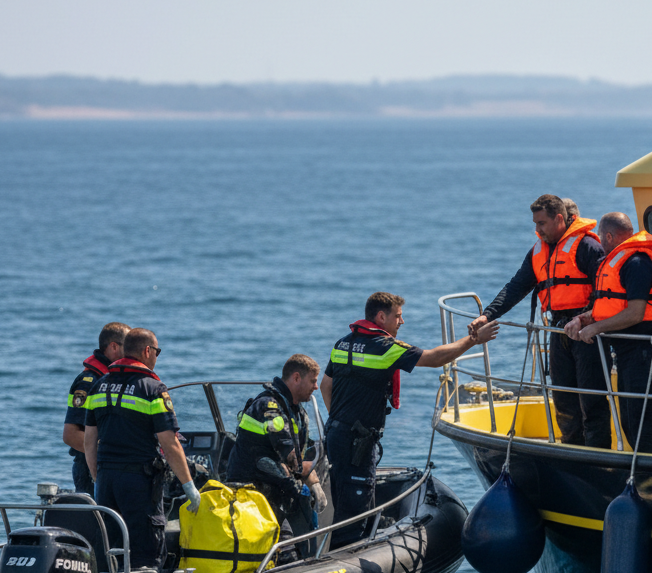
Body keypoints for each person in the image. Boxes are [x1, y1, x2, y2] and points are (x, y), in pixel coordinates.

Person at [320, 291, 499, 547]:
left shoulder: (343, 343)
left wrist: (339, 421)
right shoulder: (386, 347)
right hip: (357, 442)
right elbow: (435, 358)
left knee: (346, 498)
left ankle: (355, 545)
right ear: (381, 317)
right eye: (398, 317)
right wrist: (473, 340)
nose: (401, 322)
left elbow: (326, 385)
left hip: (336, 434)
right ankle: (345, 557)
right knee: (354, 511)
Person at [468, 193, 609, 447]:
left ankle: (600, 460)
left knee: (592, 400)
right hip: (558, 330)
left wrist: (586, 319)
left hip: (589, 332)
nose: (537, 230)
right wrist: (487, 315)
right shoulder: (538, 251)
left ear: (558, 219)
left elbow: (606, 291)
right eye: (535, 224)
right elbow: (516, 287)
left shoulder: (588, 246)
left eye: (541, 223)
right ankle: (572, 452)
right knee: (564, 400)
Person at [83, 328, 201, 571]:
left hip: (106, 482)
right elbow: (170, 444)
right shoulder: (153, 390)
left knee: (111, 551)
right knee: (145, 555)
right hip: (139, 485)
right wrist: (190, 488)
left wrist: (98, 478)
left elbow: (88, 441)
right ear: (147, 351)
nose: (157, 357)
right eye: (157, 352)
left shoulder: (99, 386)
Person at [565, 212, 652, 455]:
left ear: (609, 236)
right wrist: (582, 319)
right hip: (629, 352)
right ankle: (647, 478)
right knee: (631, 421)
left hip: (645, 351)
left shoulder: (636, 263)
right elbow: (610, 306)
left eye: (602, 237)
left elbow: (635, 313)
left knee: (639, 422)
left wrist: (595, 328)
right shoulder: (621, 261)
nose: (601, 242)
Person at [225, 354, 326, 548]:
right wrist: (308, 480)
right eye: (313, 381)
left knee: (299, 531)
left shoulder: (295, 410)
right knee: (285, 548)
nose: (316, 387)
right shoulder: (269, 407)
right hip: (253, 494)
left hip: (277, 492)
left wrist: (313, 479)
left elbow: (302, 453)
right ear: (296, 378)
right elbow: (290, 457)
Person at [62, 322, 129, 495]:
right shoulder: (88, 382)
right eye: (128, 346)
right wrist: (112, 455)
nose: (133, 352)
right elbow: (71, 435)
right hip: (91, 468)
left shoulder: (116, 378)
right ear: (114, 347)